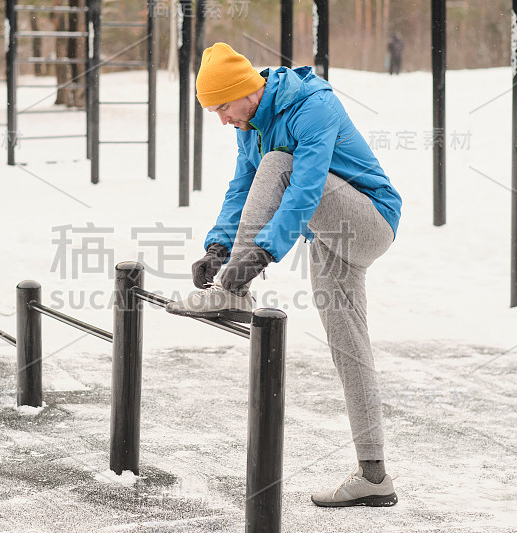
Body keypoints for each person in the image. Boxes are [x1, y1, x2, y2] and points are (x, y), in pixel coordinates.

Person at [165, 43, 402, 508]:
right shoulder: (250, 123)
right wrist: (218, 249)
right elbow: (241, 187)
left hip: (369, 221)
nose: (222, 119)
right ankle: (375, 475)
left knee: (279, 161)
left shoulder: (314, 105)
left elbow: (305, 190)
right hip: (327, 237)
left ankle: (234, 292)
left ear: (246, 90)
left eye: (223, 107)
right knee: (348, 347)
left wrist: (253, 260)